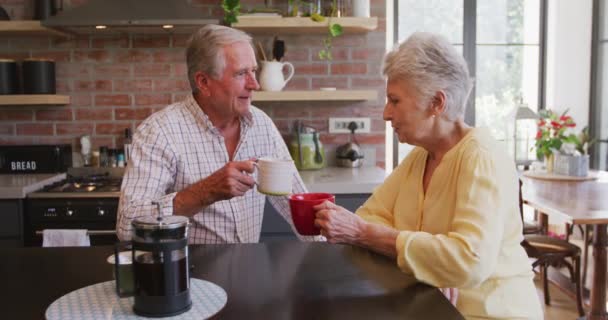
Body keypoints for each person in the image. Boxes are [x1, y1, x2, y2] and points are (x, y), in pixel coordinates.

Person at [313, 32, 543, 319]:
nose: (386, 113)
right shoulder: (421, 157)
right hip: (434, 309)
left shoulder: (481, 157)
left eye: (395, 100)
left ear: (436, 103)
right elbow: (370, 216)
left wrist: (368, 235)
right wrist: (432, 265)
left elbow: (468, 260)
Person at [117, 24, 319, 243]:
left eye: (253, 71)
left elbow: (296, 201)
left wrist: (335, 245)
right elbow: (127, 226)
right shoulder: (159, 132)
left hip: (245, 272)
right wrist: (205, 192)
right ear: (204, 82)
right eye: (241, 73)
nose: (255, 84)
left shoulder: (262, 124)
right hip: (189, 273)